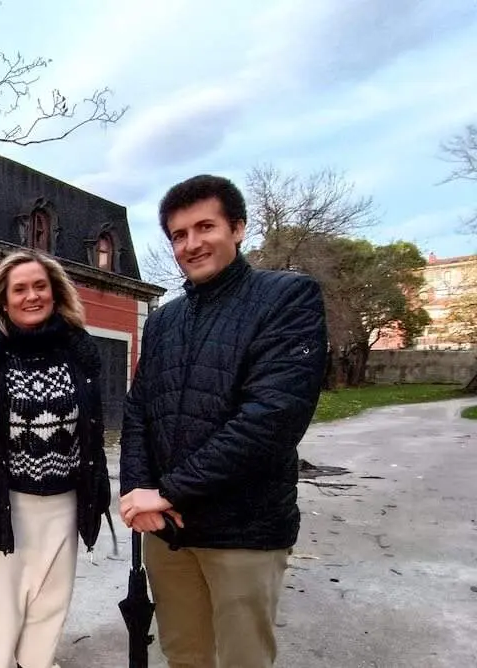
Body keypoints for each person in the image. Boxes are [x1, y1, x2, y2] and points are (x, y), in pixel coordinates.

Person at [118, 174, 328, 668]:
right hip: (168, 533)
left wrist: (167, 492)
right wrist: (138, 497)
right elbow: (138, 411)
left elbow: (270, 419)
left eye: (204, 227)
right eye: (178, 235)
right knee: (184, 656)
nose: (191, 244)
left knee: (242, 659)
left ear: (238, 227)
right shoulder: (166, 318)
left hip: (243, 531)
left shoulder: (286, 298)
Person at [0, 250, 111, 668]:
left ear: (56, 292)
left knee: (50, 610)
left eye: (40, 286)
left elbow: (93, 427)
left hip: (65, 504)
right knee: (1, 617)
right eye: (20, 289)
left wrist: (96, 489)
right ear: (5, 298)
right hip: (2, 503)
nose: (32, 296)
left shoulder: (79, 350)